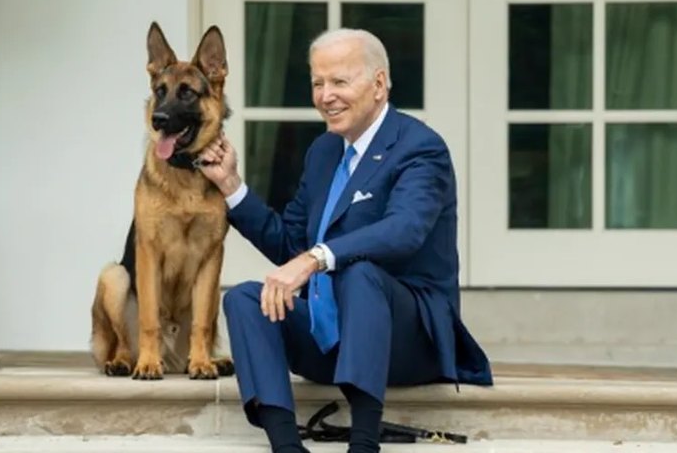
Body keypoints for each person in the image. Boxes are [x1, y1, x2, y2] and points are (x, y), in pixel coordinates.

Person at [198, 28, 492, 453]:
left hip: (407, 343)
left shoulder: (420, 147)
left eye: (339, 81)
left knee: (359, 272)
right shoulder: (323, 151)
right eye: (317, 83)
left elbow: (404, 230)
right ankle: (285, 445)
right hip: (332, 338)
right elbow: (291, 247)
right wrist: (231, 187)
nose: (325, 95)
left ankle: (363, 442)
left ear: (378, 84)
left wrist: (317, 258)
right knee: (245, 299)